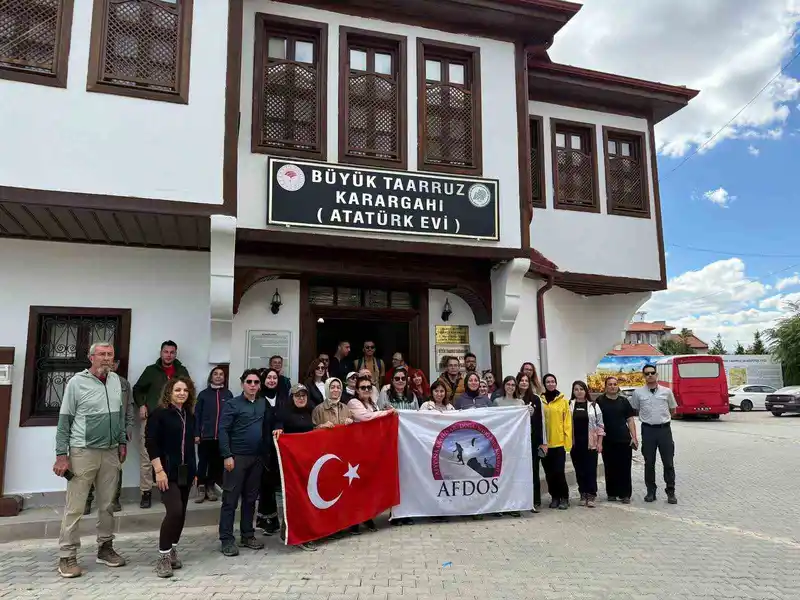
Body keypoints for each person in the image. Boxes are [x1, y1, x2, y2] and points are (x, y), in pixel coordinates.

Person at [53, 341, 127, 578]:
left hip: (110, 451)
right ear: (91, 357)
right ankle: (67, 555)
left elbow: (121, 415)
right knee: (75, 506)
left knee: (107, 505)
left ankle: (105, 547)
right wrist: (61, 455)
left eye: (110, 355)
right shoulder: (77, 382)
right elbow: (65, 420)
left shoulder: (116, 381)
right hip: (82, 452)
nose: (106, 358)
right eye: (102, 354)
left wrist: (122, 441)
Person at [146, 376, 197, 578]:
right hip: (166, 472)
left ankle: (173, 548)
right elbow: (151, 443)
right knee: (174, 511)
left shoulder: (189, 415)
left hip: (186, 471)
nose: (181, 393)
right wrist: (159, 470)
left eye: (185, 390)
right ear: (169, 392)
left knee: (182, 512)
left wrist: (195, 471)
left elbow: (191, 445)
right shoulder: (160, 414)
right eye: (177, 390)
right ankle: (163, 557)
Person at [133, 340, 190, 509]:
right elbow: (137, 389)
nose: (169, 355)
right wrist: (142, 404)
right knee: (147, 456)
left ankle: (169, 491)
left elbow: (189, 391)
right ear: (161, 353)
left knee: (172, 455)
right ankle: (146, 492)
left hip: (174, 418)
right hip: (153, 418)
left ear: (175, 354)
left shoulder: (181, 371)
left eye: (172, 352)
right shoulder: (151, 371)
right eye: (166, 352)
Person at [218, 370, 267, 556]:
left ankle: (247, 534)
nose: (253, 385)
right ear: (242, 384)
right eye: (249, 381)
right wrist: (227, 455)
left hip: (256, 459)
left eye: (256, 382)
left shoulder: (263, 404)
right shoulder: (232, 404)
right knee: (230, 500)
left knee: (250, 499)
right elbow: (223, 430)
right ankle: (226, 539)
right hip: (236, 458)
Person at [273, 385, 319, 551]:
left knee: (306, 499)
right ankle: (298, 534)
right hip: (291, 466)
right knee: (295, 500)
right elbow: (278, 424)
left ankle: (292, 531)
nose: (301, 398)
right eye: (297, 395)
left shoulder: (310, 411)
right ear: (291, 397)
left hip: (307, 464)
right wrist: (278, 428)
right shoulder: (284, 413)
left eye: (303, 395)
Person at [85, 359, 134, 515]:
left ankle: (114, 499)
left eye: (112, 362)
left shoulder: (124, 384)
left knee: (116, 466)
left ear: (117, 365)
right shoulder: (88, 381)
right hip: (94, 432)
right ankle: (87, 500)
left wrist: (129, 427)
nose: (109, 366)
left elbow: (129, 407)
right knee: (90, 467)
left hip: (117, 432)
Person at [630, 364, 678, 504]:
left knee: (668, 462)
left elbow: (672, 409)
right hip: (648, 431)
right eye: (646, 374)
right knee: (649, 462)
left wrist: (663, 420)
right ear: (643, 376)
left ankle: (671, 491)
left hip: (664, 430)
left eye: (652, 373)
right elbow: (636, 410)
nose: (649, 375)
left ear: (656, 375)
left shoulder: (667, 391)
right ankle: (651, 491)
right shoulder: (638, 393)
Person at [596, 376, 638, 504]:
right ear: (605, 386)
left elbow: (630, 420)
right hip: (607, 440)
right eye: (610, 384)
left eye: (615, 384)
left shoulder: (624, 401)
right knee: (609, 467)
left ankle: (625, 494)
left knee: (624, 467)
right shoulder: (600, 401)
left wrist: (634, 437)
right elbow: (596, 421)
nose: (612, 386)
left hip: (623, 439)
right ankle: (612, 493)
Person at [194, 366, 232, 504]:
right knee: (203, 462)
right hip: (206, 436)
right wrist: (197, 433)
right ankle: (201, 487)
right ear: (211, 377)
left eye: (221, 374)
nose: (218, 376)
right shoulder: (203, 394)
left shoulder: (228, 394)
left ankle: (211, 486)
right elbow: (197, 415)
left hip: (221, 437)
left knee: (216, 463)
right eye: (215, 374)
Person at [256, 368, 286, 535]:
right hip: (263, 447)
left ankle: (282, 522)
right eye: (269, 377)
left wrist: (280, 426)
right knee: (265, 485)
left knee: (278, 483)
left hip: (280, 447)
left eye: (275, 378)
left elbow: (283, 417)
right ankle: (268, 521)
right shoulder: (259, 399)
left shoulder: (282, 398)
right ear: (263, 380)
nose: (272, 381)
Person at [515, 374, 548, 512]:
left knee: (533, 470)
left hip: (532, 441)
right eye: (521, 380)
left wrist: (542, 442)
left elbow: (540, 421)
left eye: (526, 381)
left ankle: (535, 500)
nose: (523, 383)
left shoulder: (535, 399)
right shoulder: (513, 398)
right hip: (515, 442)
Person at [569, 380, 604, 508]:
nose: (579, 392)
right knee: (579, 470)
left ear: (585, 391)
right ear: (573, 392)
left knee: (590, 470)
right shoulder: (569, 405)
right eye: (576, 389)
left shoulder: (593, 406)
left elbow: (600, 425)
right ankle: (582, 493)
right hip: (575, 444)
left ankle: (591, 494)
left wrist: (600, 443)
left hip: (591, 443)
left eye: (581, 389)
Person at [541, 373, 571, 510]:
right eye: (548, 382)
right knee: (549, 473)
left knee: (559, 472)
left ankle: (564, 497)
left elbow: (567, 423)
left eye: (553, 381)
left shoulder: (563, 401)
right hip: (545, 444)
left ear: (556, 383)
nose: (550, 384)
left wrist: (567, 442)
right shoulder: (540, 400)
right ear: (544, 384)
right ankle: (554, 497)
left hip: (558, 443)